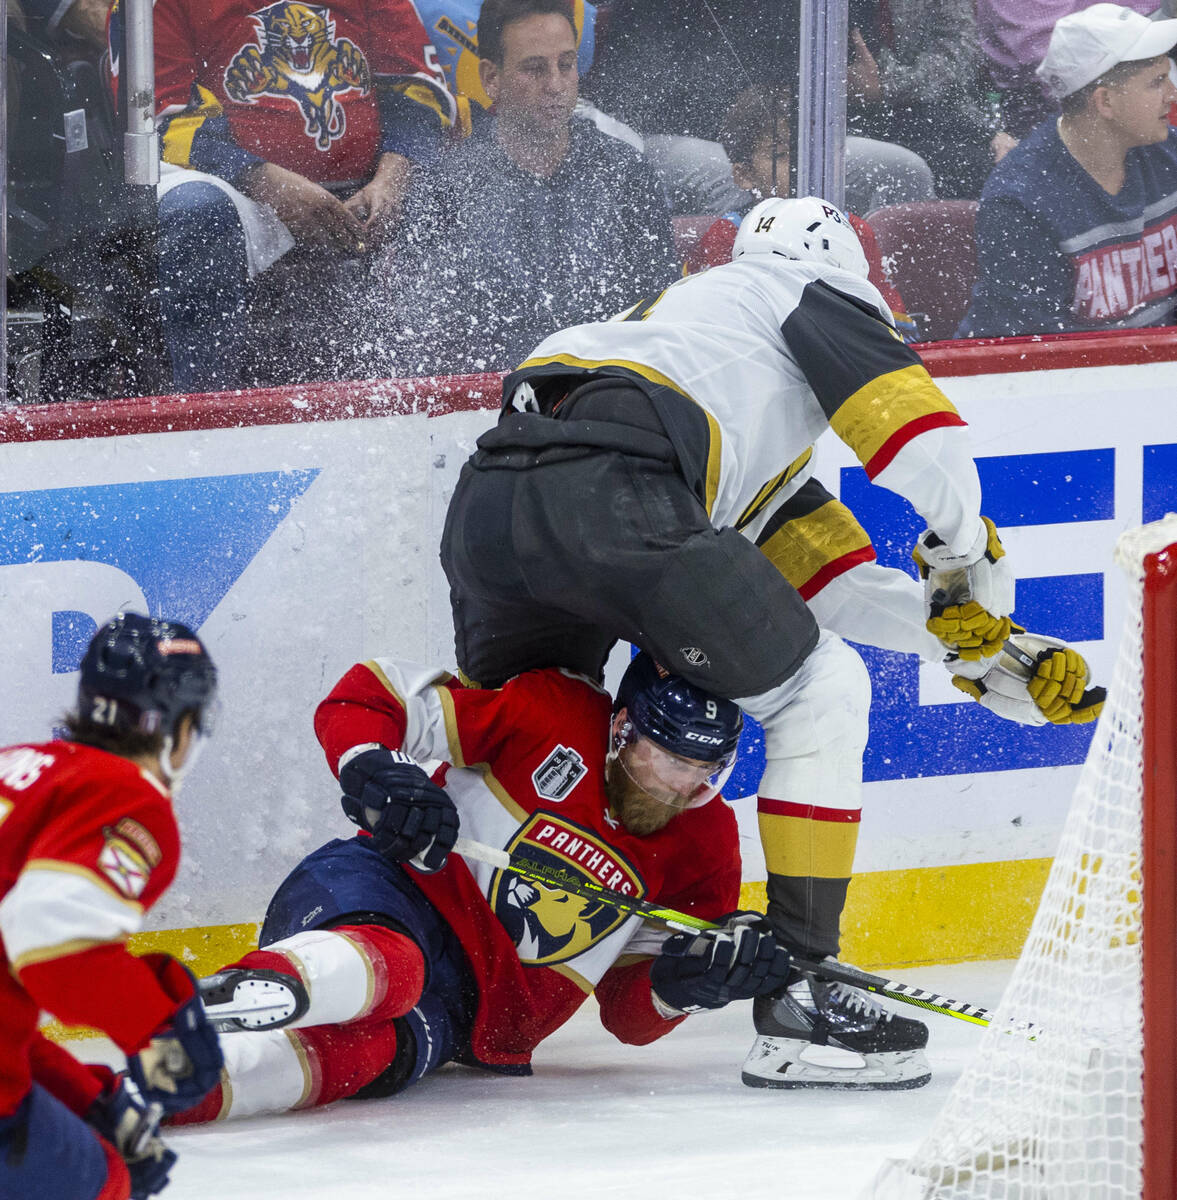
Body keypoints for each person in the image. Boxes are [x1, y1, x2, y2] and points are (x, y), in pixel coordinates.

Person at [439, 194, 1106, 1089]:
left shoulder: (695, 355)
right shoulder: (798, 290)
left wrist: (985, 648)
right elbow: (923, 439)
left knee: (529, 730)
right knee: (820, 692)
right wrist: (964, 551)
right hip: (621, 493)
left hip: (490, 509)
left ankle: (431, 940)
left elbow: (822, 589)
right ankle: (801, 989)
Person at [166, 652, 797, 1123]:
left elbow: (627, 1016)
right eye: (671, 760)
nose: (682, 787)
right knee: (397, 964)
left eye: (705, 770)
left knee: (368, 1053)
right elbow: (369, 694)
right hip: (383, 890)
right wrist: (375, 770)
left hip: (466, 1010)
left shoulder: (705, 845)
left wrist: (688, 987)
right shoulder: (551, 712)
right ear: (622, 729)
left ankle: (177, 1092)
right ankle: (234, 996)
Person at [113, 0, 455, 391]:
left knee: (456, 193)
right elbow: (154, 117)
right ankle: (204, 411)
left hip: (367, 186)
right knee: (198, 212)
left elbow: (417, 91)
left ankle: (439, 405)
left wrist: (393, 176)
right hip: (229, 186)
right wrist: (261, 178)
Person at [0, 612, 224, 1200]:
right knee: (104, 1186)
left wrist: (86, 1097)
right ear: (179, 727)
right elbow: (52, 944)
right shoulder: (124, 795)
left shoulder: (20, 768)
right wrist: (157, 1035)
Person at [373, 0, 678, 378]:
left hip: (610, 391)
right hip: (489, 404)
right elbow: (422, 340)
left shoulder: (625, 173)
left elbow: (662, 315)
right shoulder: (445, 189)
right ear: (491, 78)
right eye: (534, 69)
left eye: (566, 65)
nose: (555, 85)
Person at [582, 0, 936, 217]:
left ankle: (883, 308)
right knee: (748, 176)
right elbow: (634, 87)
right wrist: (740, 112)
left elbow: (845, 64)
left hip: (785, 129)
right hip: (674, 134)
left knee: (902, 169)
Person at [959, 3, 1177, 338]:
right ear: (1104, 102)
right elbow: (1037, 354)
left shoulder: (1168, 150)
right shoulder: (1019, 199)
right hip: (1061, 379)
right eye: (1157, 82)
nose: (1172, 95)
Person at [690, 85, 920, 342]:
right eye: (779, 155)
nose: (799, 164)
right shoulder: (725, 236)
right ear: (744, 175)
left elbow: (895, 335)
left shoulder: (851, 229)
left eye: (810, 150)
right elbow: (709, 338)